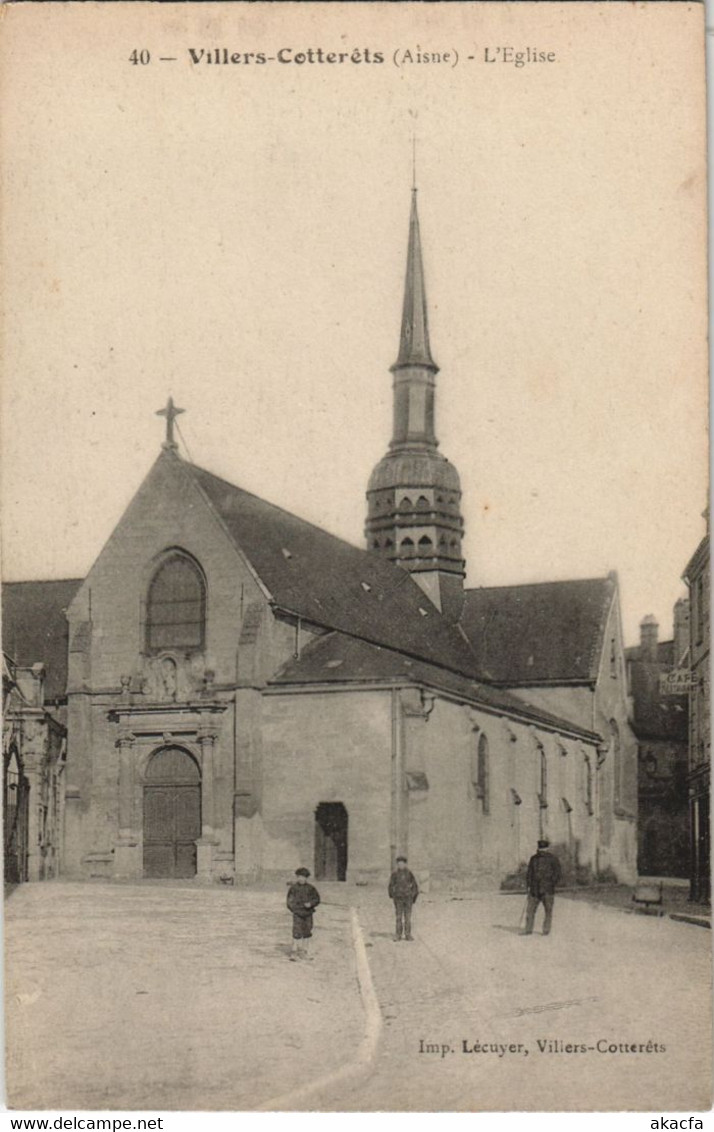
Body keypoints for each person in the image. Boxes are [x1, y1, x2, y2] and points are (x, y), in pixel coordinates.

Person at [523, 839, 562, 936]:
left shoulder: (550, 859)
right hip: (538, 890)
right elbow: (529, 874)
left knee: (534, 911)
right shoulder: (535, 859)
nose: (542, 850)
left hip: (542, 889)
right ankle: (543, 930)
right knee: (538, 911)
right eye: (541, 849)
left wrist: (551, 883)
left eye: (542, 849)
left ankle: (535, 930)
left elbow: (557, 874)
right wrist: (529, 885)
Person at [286, 867, 321, 961]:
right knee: (296, 932)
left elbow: (317, 899)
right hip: (297, 914)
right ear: (297, 877)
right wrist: (295, 909)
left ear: (306, 878)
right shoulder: (293, 888)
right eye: (299, 877)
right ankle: (294, 953)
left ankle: (305, 952)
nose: (301, 879)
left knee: (307, 932)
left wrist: (311, 904)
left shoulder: (311, 888)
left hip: (308, 914)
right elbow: (289, 902)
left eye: (303, 877)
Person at [388, 855, 419, 941]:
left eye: (402, 863)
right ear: (397, 865)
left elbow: (415, 886)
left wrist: (413, 897)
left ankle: (408, 934)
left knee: (407, 917)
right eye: (399, 864)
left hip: (408, 898)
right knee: (398, 917)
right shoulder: (394, 874)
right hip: (398, 899)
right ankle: (398, 935)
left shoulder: (409, 873)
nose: (400, 865)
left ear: (405, 864)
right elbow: (390, 886)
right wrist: (393, 895)